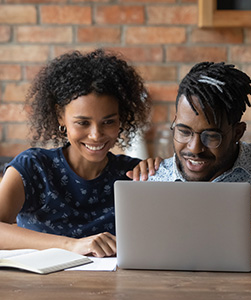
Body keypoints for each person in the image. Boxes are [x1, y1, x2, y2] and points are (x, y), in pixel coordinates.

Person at [131, 62, 251, 259]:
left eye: (211, 136)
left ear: (238, 132)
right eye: (184, 131)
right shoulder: (152, 180)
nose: (194, 148)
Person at [0, 48, 151, 257]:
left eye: (108, 122)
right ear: (60, 117)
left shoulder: (133, 174)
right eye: (83, 123)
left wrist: (165, 174)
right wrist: (71, 245)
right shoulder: (33, 168)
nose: (96, 135)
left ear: (121, 119)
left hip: (112, 288)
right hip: (39, 288)